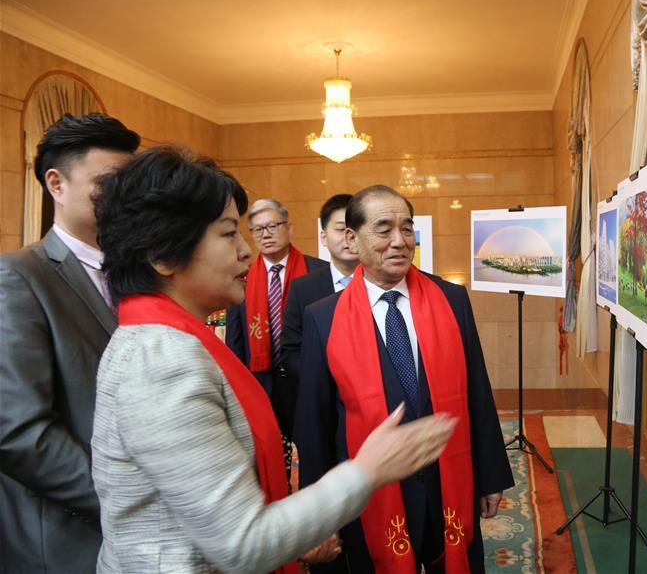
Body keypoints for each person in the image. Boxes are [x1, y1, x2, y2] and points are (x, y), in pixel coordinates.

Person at [90, 146, 456, 573]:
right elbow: (242, 542)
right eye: (229, 234)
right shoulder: (161, 360)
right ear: (163, 255)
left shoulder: (165, 340)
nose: (246, 252)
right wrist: (367, 470)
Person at [297, 185, 514, 573]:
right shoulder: (323, 317)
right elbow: (316, 423)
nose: (399, 241)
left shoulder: (452, 299)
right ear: (352, 239)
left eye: (407, 229)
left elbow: (477, 393)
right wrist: (319, 511)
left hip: (448, 481)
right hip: (370, 494)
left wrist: (490, 477)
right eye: (384, 230)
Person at [0, 113, 140, 573]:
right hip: (67, 538)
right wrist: (127, 502)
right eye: (108, 184)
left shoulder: (141, 277)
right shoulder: (19, 276)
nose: (125, 198)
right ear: (56, 184)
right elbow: (18, 431)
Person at [225, 198, 326, 477]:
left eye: (272, 226)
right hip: (262, 383)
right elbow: (235, 342)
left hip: (306, 380)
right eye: (258, 230)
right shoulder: (241, 277)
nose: (265, 234)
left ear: (289, 228)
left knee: (314, 453)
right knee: (270, 460)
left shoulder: (318, 273)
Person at [281, 193, 358, 445]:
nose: (349, 237)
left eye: (355, 229)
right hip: (321, 405)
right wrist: (325, 382)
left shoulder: (383, 285)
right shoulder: (303, 288)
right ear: (324, 237)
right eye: (341, 229)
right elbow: (291, 351)